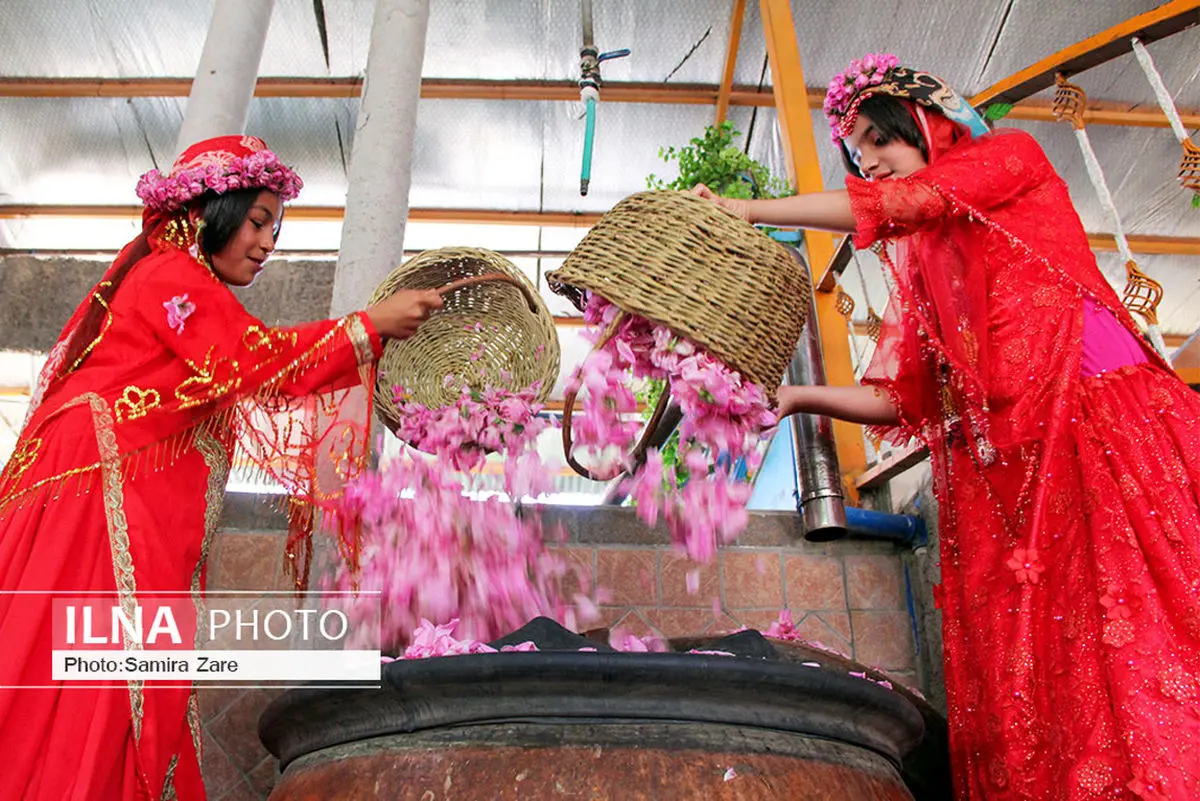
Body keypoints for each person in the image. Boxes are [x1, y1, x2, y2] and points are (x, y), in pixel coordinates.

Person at [696, 54, 1200, 800]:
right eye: (857, 152)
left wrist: (751, 211)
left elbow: (913, 198)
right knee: (1062, 672)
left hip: (1090, 425)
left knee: (1142, 638)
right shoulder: (931, 265)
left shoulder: (1007, 158)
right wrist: (798, 398)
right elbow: (910, 401)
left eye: (877, 139)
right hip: (1015, 485)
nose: (868, 161)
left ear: (928, 119)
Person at [0, 135, 443, 800]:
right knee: (97, 687)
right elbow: (254, 361)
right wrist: (366, 327)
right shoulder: (172, 275)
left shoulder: (178, 281)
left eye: (276, 228)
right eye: (259, 220)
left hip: (104, 492)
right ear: (213, 210)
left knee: (107, 681)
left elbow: (246, 365)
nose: (267, 243)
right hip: (97, 499)